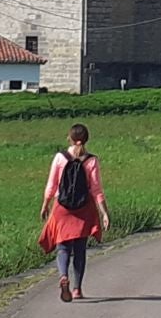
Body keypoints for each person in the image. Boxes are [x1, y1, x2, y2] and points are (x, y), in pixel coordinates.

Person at [38, 123, 111, 302]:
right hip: (84, 208)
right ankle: (77, 289)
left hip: (62, 208)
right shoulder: (91, 160)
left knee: (63, 247)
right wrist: (104, 213)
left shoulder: (60, 158)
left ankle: (64, 275)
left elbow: (52, 184)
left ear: (69, 138)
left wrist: (45, 204)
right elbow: (96, 190)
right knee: (80, 250)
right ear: (86, 139)